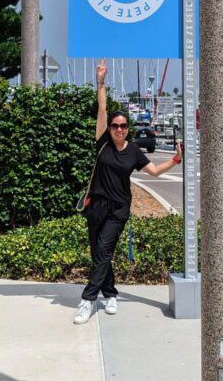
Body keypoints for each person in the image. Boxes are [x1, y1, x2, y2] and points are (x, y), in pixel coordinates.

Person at [73, 59, 183, 325]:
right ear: (109, 128)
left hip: (119, 209)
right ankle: (110, 294)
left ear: (128, 129)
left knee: (105, 250)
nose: (119, 129)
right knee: (98, 253)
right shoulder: (102, 143)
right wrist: (100, 81)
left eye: (123, 126)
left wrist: (176, 161)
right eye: (115, 126)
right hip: (95, 205)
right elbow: (102, 108)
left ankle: (87, 300)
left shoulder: (133, 151)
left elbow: (154, 171)